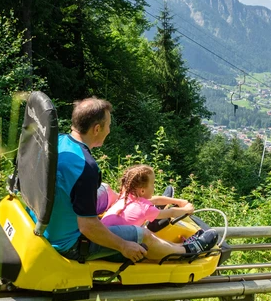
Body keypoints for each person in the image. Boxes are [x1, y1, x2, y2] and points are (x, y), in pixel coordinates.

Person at [43, 97, 217, 264]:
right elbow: (88, 227)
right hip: (70, 244)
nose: (109, 130)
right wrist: (123, 245)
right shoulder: (86, 168)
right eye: (108, 126)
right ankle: (188, 250)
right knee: (144, 235)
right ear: (96, 129)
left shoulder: (58, 142)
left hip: (50, 221)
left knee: (107, 190)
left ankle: (138, 205)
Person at [100, 164, 195, 228]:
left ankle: (155, 211)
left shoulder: (126, 195)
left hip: (103, 234)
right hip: (113, 244)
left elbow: (155, 200)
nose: (154, 187)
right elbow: (171, 212)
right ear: (142, 190)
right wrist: (187, 210)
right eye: (153, 184)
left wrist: (178, 201)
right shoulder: (144, 208)